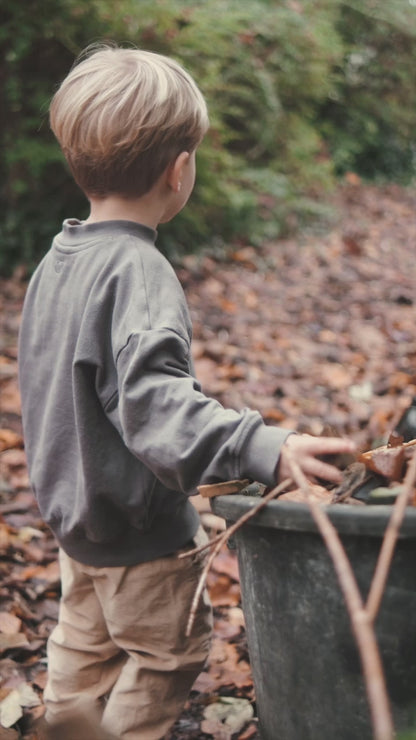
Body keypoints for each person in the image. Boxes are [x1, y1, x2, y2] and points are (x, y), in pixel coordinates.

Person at [18, 44, 356, 739]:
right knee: (164, 655)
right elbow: (154, 408)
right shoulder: (138, 271)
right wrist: (264, 444)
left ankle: (68, 727)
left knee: (80, 656)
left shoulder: (57, 261)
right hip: (142, 541)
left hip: (77, 530)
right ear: (179, 173)